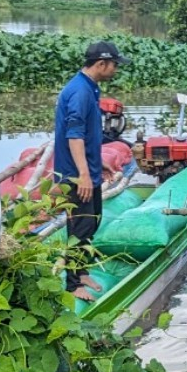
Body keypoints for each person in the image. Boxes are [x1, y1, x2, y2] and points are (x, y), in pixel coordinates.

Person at [55, 41, 128, 300]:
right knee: (80, 227)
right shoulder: (80, 92)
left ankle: (82, 271)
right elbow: (74, 136)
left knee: (92, 221)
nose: (116, 69)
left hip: (88, 169)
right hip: (76, 175)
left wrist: (99, 162)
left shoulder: (89, 88)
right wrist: (84, 175)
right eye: (114, 65)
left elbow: (88, 135)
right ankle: (73, 285)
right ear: (101, 64)